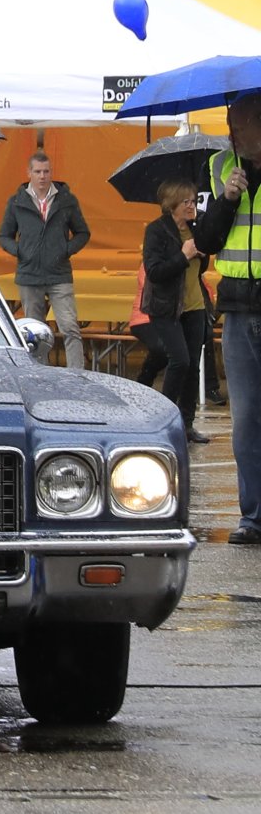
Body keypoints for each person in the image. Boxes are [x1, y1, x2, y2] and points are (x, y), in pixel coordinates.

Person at [192, 91, 261, 544]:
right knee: (247, 420)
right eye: (231, 122)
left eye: (242, 122)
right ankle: (253, 516)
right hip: (237, 308)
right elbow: (205, 241)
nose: (233, 131)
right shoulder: (218, 168)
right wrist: (228, 199)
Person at [0, 150, 91, 369]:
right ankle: (40, 374)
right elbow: (4, 236)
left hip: (59, 273)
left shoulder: (66, 200)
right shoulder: (17, 202)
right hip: (29, 274)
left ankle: (76, 374)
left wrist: (65, 250)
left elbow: (83, 232)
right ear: (29, 173)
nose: (42, 176)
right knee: (35, 333)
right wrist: (20, 251)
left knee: (70, 327)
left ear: (51, 172)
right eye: (38, 172)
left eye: (46, 171)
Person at [141, 180, 213, 444]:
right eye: (186, 202)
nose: (191, 206)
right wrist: (183, 256)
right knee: (180, 360)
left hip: (195, 305)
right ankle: (165, 421)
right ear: (172, 204)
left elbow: (199, 269)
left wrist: (202, 254)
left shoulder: (196, 229)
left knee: (193, 366)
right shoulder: (156, 230)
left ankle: (186, 424)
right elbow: (155, 272)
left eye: (193, 201)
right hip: (166, 307)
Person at [128, 264, 167, 389]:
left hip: (169, 319)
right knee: (163, 348)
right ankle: (144, 381)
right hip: (144, 319)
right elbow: (153, 287)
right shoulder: (150, 263)